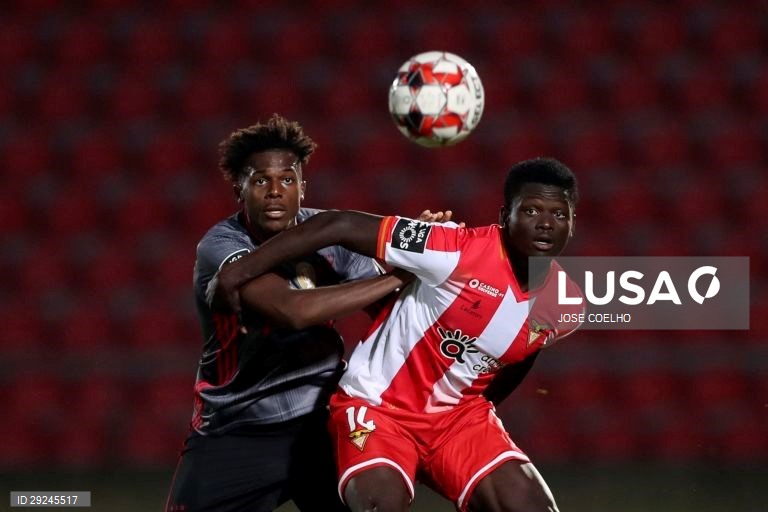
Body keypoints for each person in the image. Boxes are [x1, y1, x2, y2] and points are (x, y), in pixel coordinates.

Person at [211, 157, 585, 512]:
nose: (546, 224)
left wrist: (470, 424)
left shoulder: (565, 306)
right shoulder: (452, 248)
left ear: (572, 223)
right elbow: (337, 225)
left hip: (459, 421)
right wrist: (239, 271)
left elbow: (518, 359)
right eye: (532, 210)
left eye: (559, 214)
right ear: (506, 216)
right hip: (377, 408)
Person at [165, 114, 454, 512]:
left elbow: (390, 314)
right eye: (260, 180)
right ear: (239, 188)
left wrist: (421, 264)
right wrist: (397, 277)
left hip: (322, 419)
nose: (274, 192)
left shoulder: (328, 235)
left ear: (303, 187)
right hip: (237, 429)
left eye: (287, 179)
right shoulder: (221, 246)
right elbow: (292, 310)